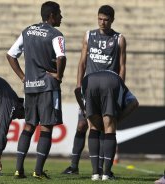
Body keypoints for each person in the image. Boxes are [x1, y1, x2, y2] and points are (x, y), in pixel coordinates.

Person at [62, 4, 127, 176]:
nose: (102, 22)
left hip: (108, 89)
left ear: (112, 20)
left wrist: (120, 88)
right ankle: (74, 165)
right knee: (83, 124)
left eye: (106, 20)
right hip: (89, 88)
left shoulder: (119, 39)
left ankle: (102, 169)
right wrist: (78, 85)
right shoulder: (88, 35)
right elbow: (82, 62)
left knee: (105, 126)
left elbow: (122, 65)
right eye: (100, 19)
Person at [6, 1, 66, 179]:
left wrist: (23, 77)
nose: (61, 17)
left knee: (29, 126)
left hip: (30, 87)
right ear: (52, 16)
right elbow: (61, 57)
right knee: (46, 127)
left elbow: (10, 55)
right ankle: (38, 171)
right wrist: (59, 76)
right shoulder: (56, 34)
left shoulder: (27, 31)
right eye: (59, 14)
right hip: (48, 87)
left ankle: (18, 169)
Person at [79, 70, 138, 181]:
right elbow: (134, 103)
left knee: (93, 127)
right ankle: (106, 174)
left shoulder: (90, 74)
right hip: (112, 82)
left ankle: (95, 174)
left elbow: (76, 92)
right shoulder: (119, 81)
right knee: (109, 129)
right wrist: (116, 119)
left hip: (88, 80)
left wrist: (84, 110)